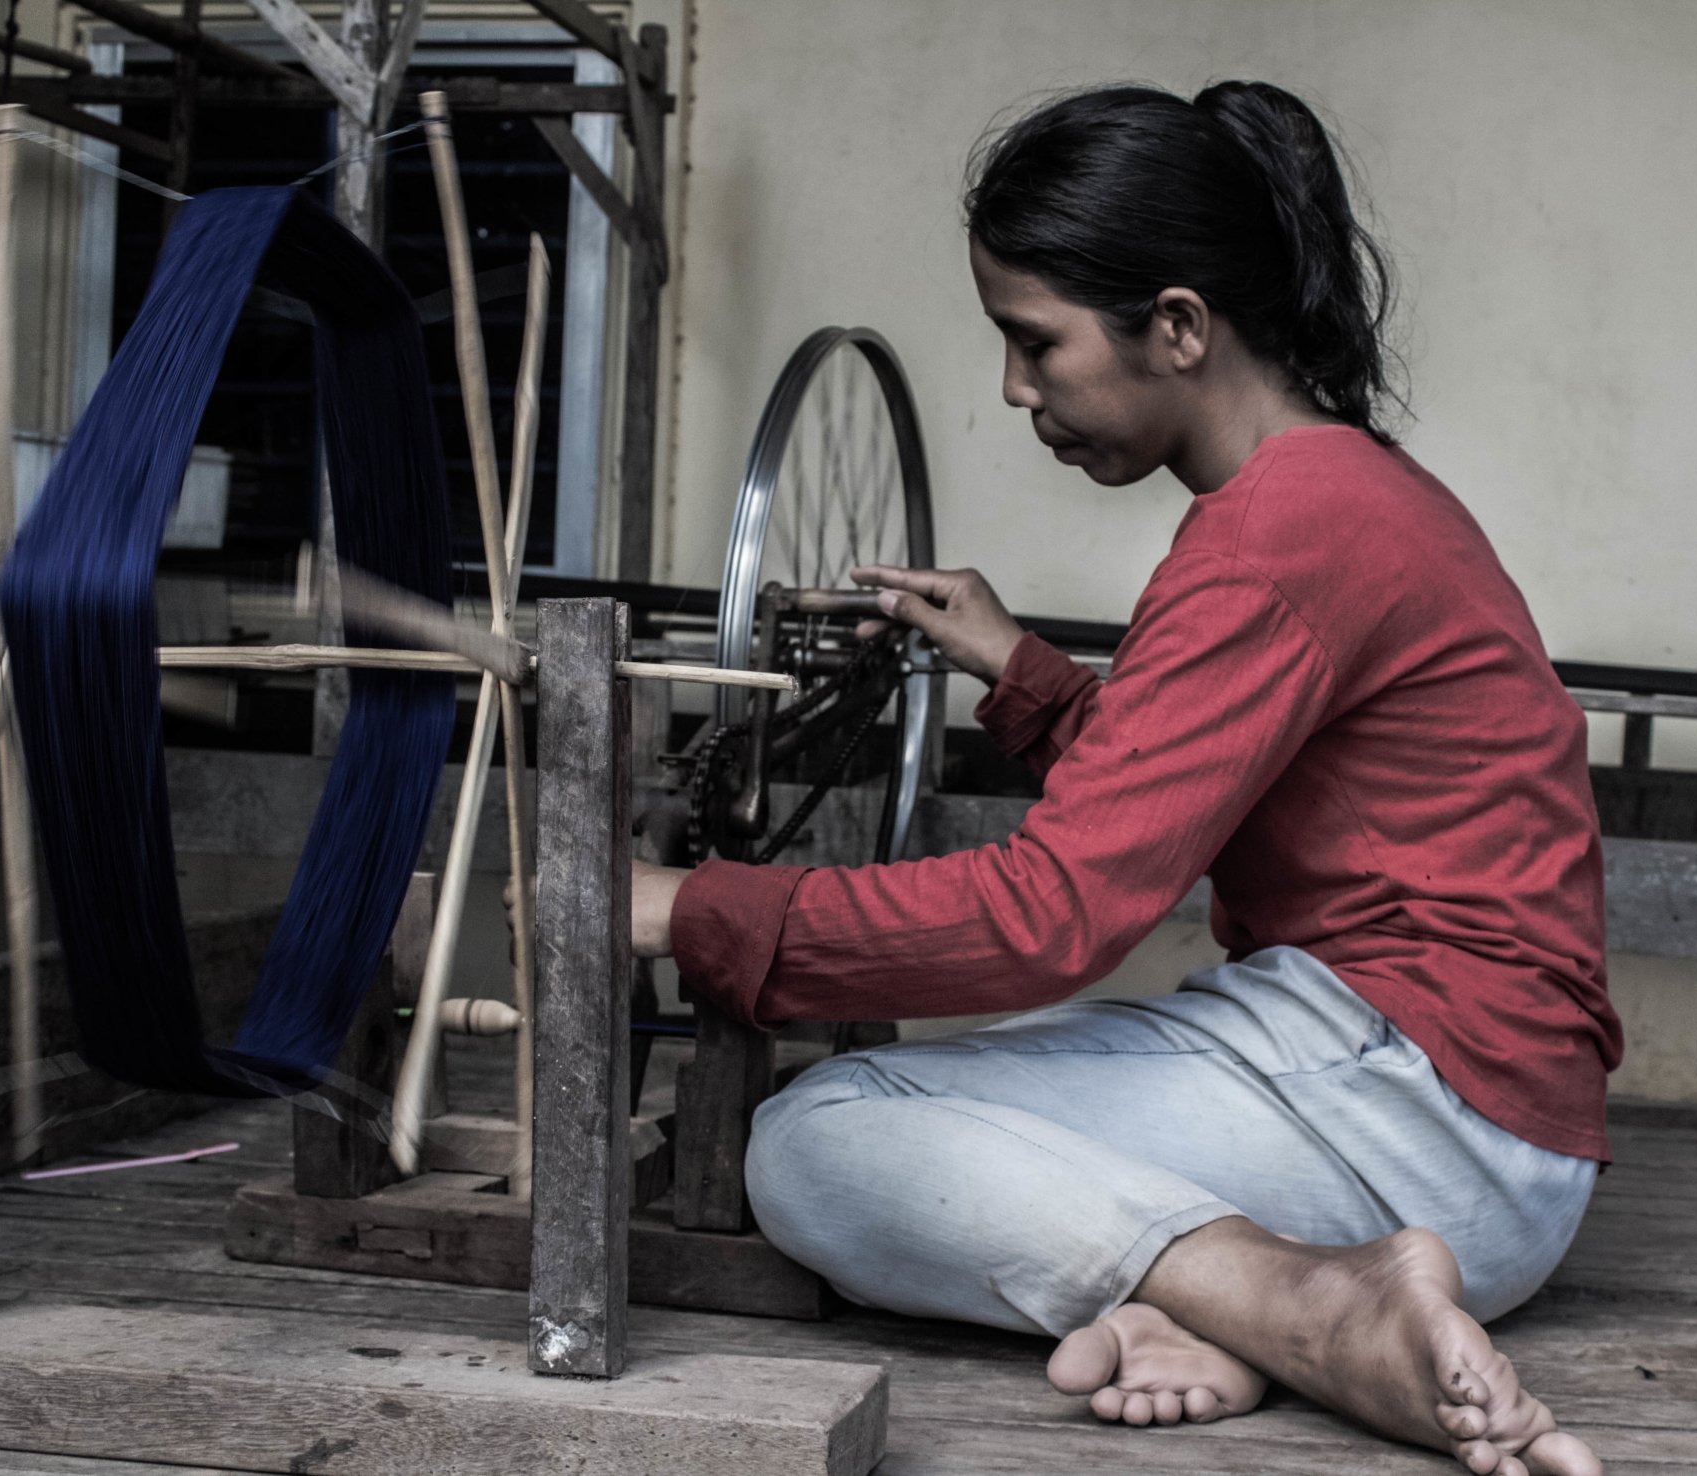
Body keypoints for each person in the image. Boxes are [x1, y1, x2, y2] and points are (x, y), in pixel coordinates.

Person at [632, 81, 1621, 1476]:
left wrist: (693, 911)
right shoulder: (1341, 490)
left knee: (820, 1141)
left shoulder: (1272, 538)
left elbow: (1059, 912)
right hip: (1467, 1114)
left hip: (1424, 1113)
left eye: (1034, 342)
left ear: (1175, 326)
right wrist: (1016, 667)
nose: (1015, 390)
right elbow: (1207, 775)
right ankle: (1220, 1298)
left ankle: (1314, 1304)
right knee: (947, 1108)